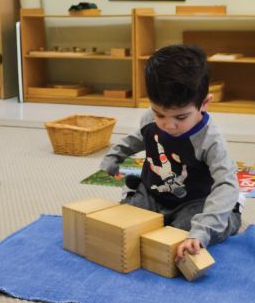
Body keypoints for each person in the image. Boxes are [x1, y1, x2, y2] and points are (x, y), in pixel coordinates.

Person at [100, 45, 242, 261]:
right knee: (123, 226)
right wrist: (113, 157)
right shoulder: (151, 117)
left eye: (181, 117)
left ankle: (230, 215)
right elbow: (137, 138)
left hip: (193, 202)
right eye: (160, 114)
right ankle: (142, 202)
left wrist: (202, 230)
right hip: (153, 192)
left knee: (182, 239)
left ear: (204, 103)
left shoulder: (211, 140)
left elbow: (226, 183)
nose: (168, 125)